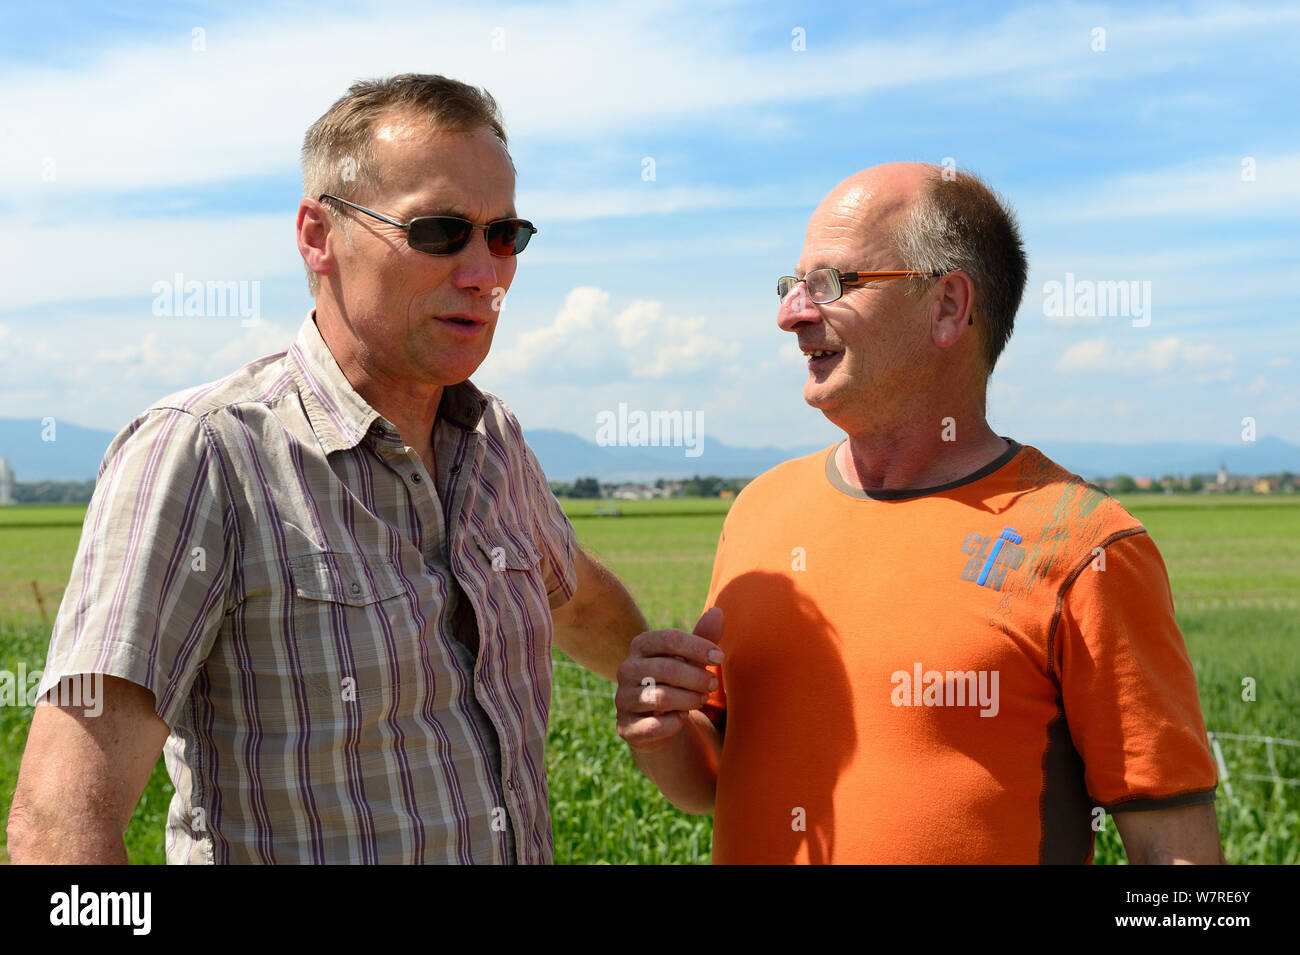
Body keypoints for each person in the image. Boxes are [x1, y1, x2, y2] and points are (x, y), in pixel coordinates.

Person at [8, 74, 645, 865]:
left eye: (504, 234)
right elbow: (59, 828)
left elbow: (572, 598)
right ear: (318, 235)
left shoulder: (495, 442)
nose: (486, 273)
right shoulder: (206, 454)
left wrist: (670, 676)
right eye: (442, 231)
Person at [615, 162, 1224, 864]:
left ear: (947, 306)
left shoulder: (1086, 545)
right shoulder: (759, 510)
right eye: (793, 284)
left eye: (832, 283)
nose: (791, 313)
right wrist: (661, 733)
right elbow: (718, 778)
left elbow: (1179, 863)